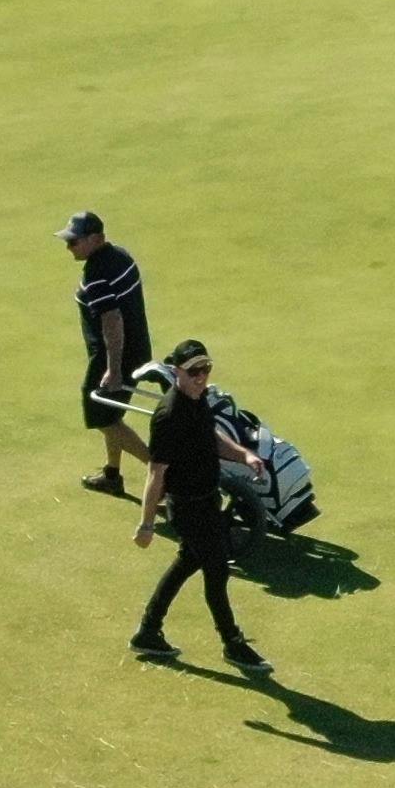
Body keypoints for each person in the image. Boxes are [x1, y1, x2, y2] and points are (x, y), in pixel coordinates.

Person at [129, 339, 269, 676]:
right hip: (188, 508)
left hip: (207, 501)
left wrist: (243, 455)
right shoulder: (169, 415)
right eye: (194, 371)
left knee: (187, 562)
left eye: (206, 369)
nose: (201, 376)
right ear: (176, 371)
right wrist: (147, 524)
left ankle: (148, 631)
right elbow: (156, 472)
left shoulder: (198, 399)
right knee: (217, 570)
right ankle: (232, 642)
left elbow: (211, 436)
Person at [63, 212, 153, 498]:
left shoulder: (97, 273)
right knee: (112, 417)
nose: (69, 247)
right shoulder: (120, 256)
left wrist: (113, 369)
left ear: (96, 239)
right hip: (136, 351)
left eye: (74, 242)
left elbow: (112, 321)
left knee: (102, 418)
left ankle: (161, 473)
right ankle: (112, 474)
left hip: (114, 358)